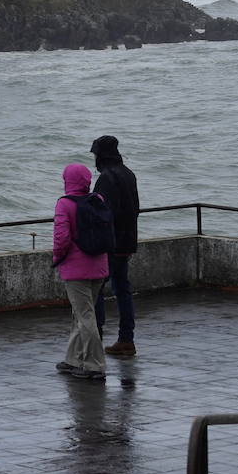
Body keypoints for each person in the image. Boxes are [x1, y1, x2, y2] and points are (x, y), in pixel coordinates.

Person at [53, 163, 109, 380]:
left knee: (85, 316)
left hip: (76, 270)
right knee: (81, 313)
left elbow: (61, 238)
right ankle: (74, 359)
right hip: (99, 266)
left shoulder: (64, 204)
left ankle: (94, 365)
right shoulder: (98, 199)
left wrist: (58, 258)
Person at [91, 135, 140, 357]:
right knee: (123, 289)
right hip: (127, 241)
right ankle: (126, 338)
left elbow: (102, 213)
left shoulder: (106, 178)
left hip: (111, 243)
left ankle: (96, 337)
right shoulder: (128, 174)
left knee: (97, 289)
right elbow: (135, 207)